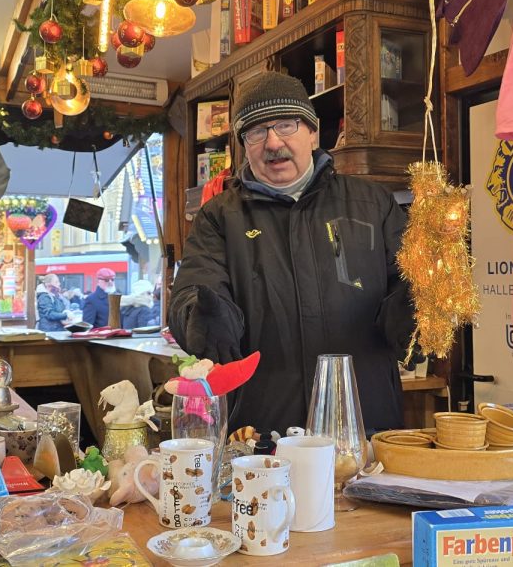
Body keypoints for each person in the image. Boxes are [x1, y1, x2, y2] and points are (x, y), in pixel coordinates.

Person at [168, 72, 415, 434]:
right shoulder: (219, 217)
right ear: (244, 145)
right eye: (256, 132)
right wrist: (202, 317)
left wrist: (412, 316)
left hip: (365, 422)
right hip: (262, 434)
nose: (273, 142)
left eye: (286, 125)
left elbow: (409, 282)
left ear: (313, 133)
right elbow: (190, 291)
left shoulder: (372, 204)